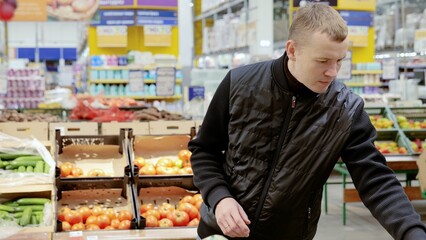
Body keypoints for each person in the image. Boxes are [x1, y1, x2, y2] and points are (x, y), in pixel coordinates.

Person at [188, 3, 426, 240]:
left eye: (339, 61)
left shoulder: (346, 110)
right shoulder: (239, 84)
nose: (333, 72)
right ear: (292, 50)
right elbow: (204, 150)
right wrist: (220, 198)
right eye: (323, 61)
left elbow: (376, 180)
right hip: (220, 231)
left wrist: (412, 233)